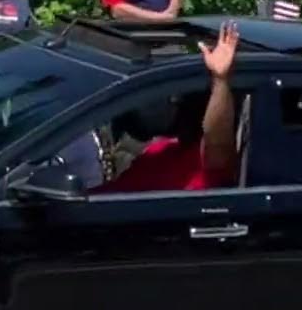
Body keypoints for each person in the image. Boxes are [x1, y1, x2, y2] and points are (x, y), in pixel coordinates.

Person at [91, 21, 240, 193]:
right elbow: (114, 194)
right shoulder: (159, 149)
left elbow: (217, 140)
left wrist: (220, 80)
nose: (177, 109)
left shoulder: (209, 164)